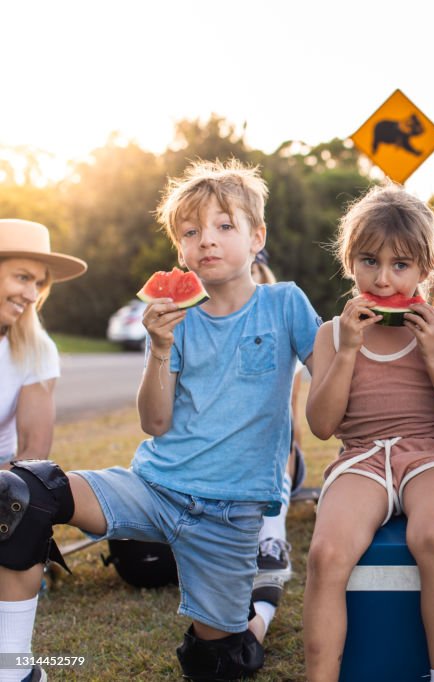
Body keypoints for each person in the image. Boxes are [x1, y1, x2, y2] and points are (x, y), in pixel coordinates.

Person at [0, 159, 320, 681]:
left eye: (224, 226)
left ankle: (260, 607)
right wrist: (160, 346)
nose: (207, 242)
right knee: (21, 493)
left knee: (220, 664)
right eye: (191, 232)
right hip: (154, 487)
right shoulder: (175, 318)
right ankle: (13, 669)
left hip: (230, 514)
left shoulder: (285, 304)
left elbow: (327, 393)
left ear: (257, 235)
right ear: (180, 250)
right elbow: (154, 421)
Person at [303, 185, 434, 682]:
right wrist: (348, 351)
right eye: (369, 261)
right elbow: (322, 426)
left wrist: (432, 356)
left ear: (425, 270)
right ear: (349, 262)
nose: (383, 279)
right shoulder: (332, 334)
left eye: (400, 265)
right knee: (326, 554)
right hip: (361, 455)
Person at [0, 218, 86, 682]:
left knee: (26, 488)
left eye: (38, 283)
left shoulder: (36, 348)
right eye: (21, 277)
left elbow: (34, 451)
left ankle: (13, 667)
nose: (32, 294)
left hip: (1, 482)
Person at [246, 248, 308, 645]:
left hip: (281, 458)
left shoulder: (284, 328)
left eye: (254, 269)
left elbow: (293, 422)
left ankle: (273, 535)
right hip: (224, 460)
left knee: (276, 432)